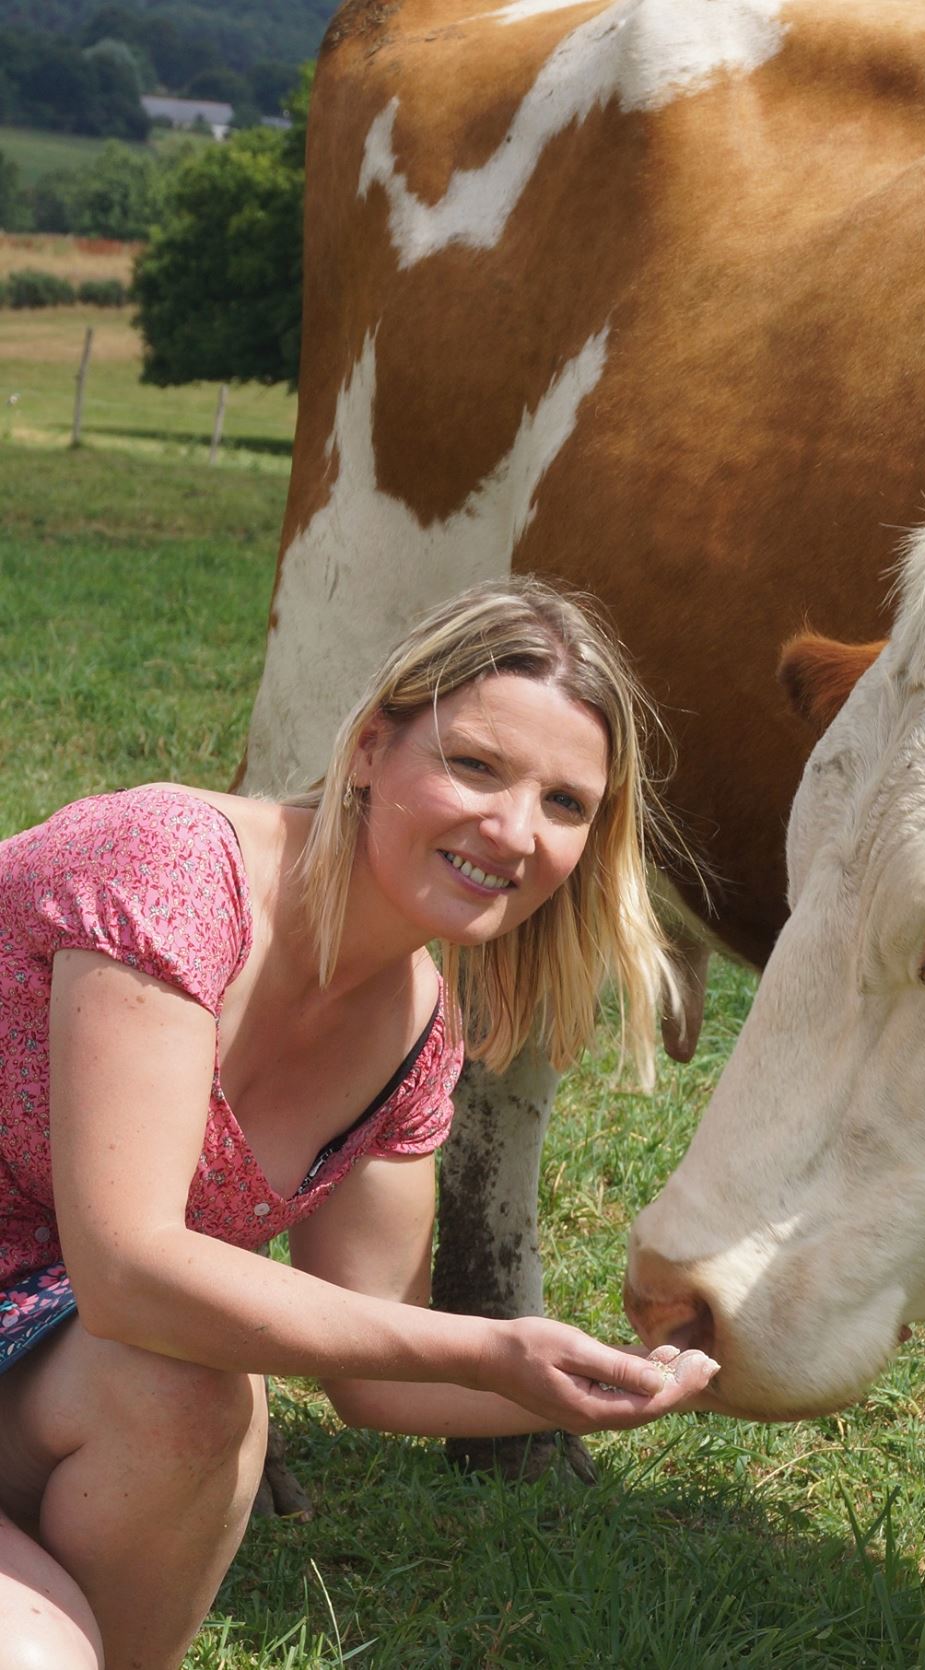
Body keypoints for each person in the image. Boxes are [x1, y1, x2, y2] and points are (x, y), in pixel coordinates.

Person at [0, 578, 717, 1670]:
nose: (514, 831)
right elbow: (130, 1271)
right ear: (373, 746)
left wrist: (627, 1381)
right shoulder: (174, 867)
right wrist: (493, 1342)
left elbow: (376, 1368)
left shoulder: (416, 1038)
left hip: (34, 1364)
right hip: (54, 1344)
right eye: (475, 764)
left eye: (566, 803)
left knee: (190, 1392)